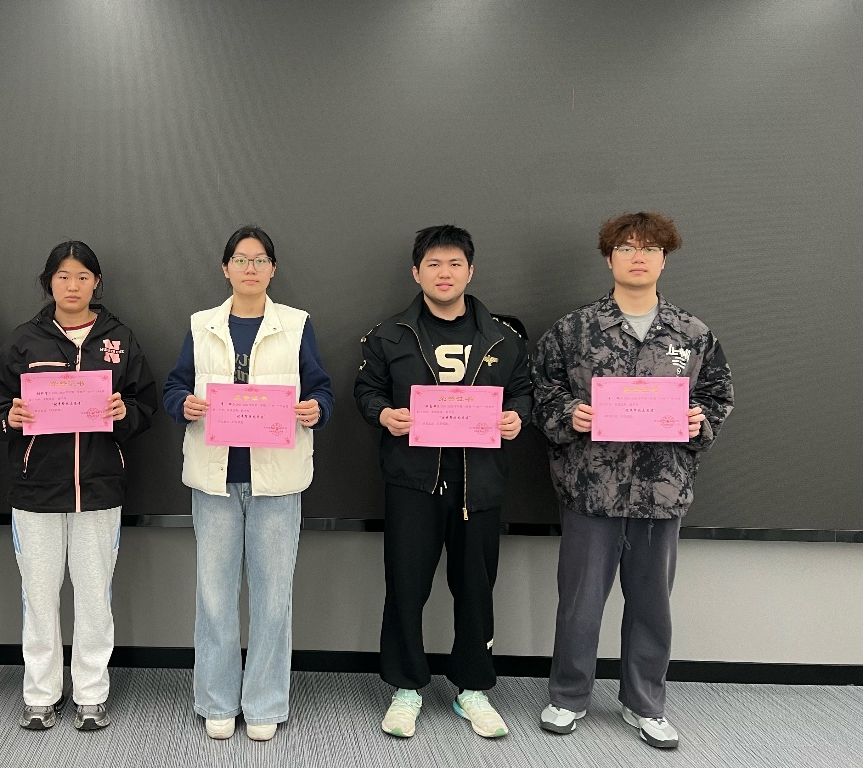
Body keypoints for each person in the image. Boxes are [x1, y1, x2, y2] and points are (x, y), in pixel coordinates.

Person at [532, 211, 734, 750]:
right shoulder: (574, 330)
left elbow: (717, 396)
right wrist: (569, 414)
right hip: (589, 489)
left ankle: (644, 702)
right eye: (625, 247)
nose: (637, 256)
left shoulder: (692, 334)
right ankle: (568, 695)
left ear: (664, 258)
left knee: (651, 604)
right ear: (609, 258)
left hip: (661, 491)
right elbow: (542, 393)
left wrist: (700, 421)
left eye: (649, 248)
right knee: (579, 601)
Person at [353, 225, 531, 740]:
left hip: (480, 481)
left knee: (476, 587)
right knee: (406, 586)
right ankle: (406, 688)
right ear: (417, 272)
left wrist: (517, 416)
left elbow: (523, 391)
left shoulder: (504, 336)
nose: (444, 273)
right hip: (413, 480)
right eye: (433, 264)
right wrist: (383, 414)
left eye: (454, 264)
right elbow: (366, 389)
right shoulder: (390, 335)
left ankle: (472, 688)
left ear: (470, 271)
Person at [162, 226, 334, 743]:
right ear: (226, 268)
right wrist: (184, 404)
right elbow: (174, 386)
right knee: (214, 596)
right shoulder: (201, 325)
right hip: (214, 479)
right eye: (240, 259)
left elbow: (322, 390)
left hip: (276, 482)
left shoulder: (296, 324)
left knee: (273, 597)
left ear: (273, 269)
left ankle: (264, 703)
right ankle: (216, 700)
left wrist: (316, 409)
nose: (250, 268)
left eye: (260, 260)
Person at [0, 240, 157, 732]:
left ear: (96, 282)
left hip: (98, 490)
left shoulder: (119, 338)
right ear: (49, 283)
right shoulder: (24, 340)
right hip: (35, 491)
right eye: (63, 276)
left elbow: (145, 405)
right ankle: (40, 694)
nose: (73, 285)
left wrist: (125, 412)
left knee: (94, 596)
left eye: (82, 276)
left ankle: (90, 694)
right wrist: (10, 417)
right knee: (39, 597)